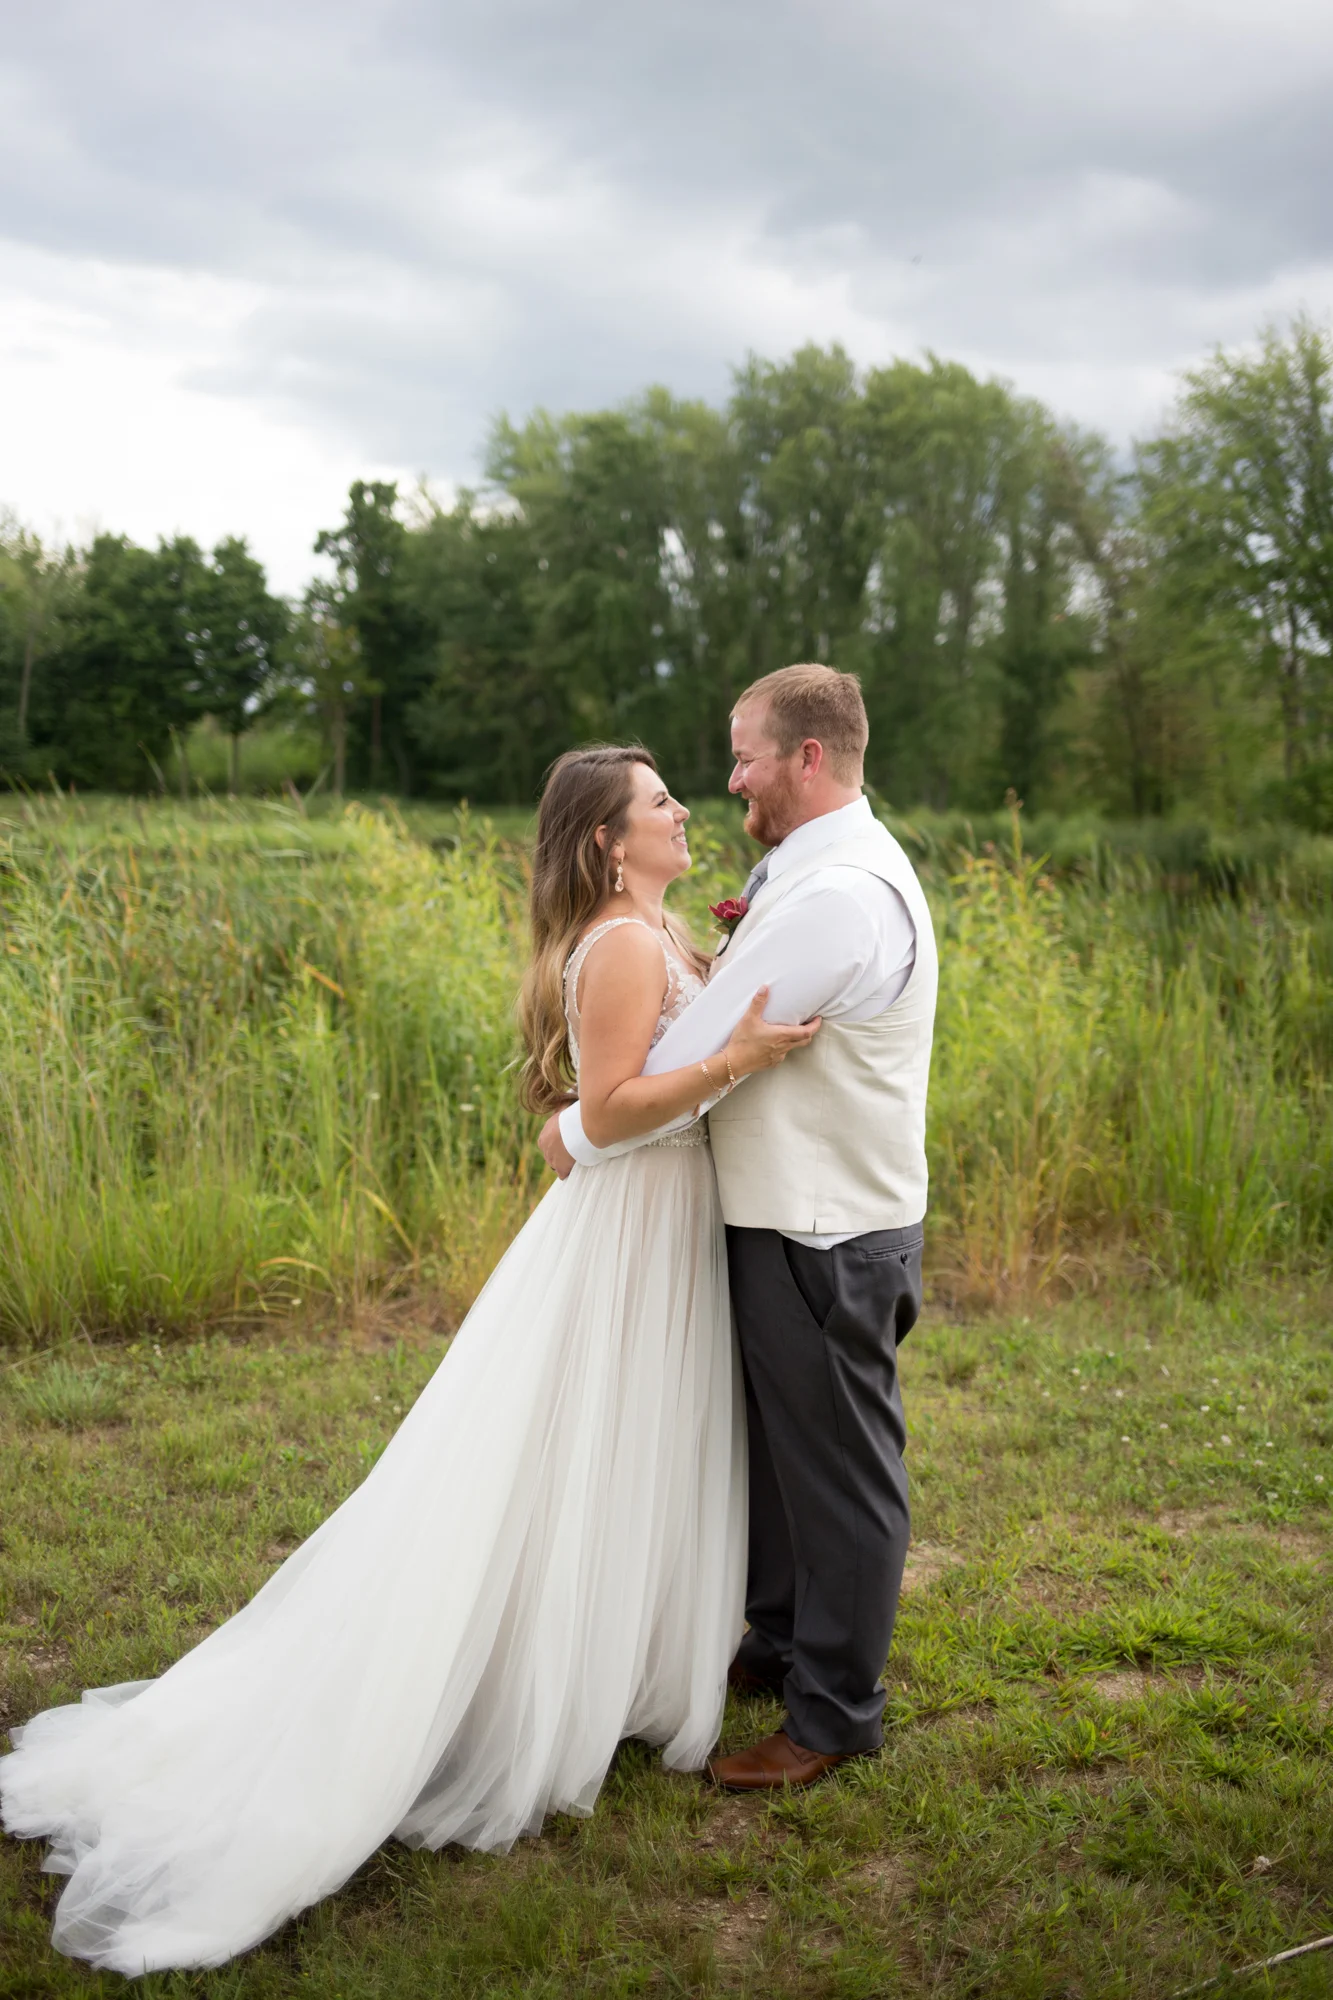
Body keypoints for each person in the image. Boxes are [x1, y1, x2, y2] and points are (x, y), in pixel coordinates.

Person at [0, 745, 816, 1977]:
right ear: (605, 838)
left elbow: (578, 1123)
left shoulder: (648, 929)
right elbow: (600, 1115)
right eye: (659, 802)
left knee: (624, 1442)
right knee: (581, 1445)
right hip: (631, 1226)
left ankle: (612, 1663)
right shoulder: (629, 942)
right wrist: (734, 1061)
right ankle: (529, 1685)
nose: (686, 809)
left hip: (655, 1218)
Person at [543, 665, 938, 1792]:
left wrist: (579, 1129)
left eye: (743, 754)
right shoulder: (815, 870)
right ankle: (773, 1645)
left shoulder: (835, 894)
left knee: (840, 1474)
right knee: (778, 1458)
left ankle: (831, 1713)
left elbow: (688, 1057)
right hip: (788, 1213)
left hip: (822, 1224)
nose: (725, 782)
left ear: (806, 758)